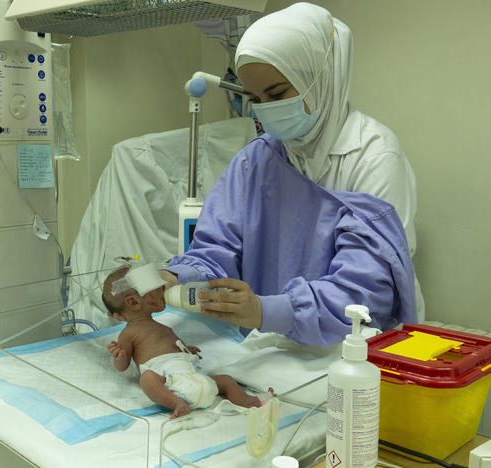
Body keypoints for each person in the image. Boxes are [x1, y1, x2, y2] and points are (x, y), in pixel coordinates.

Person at [156, 2, 421, 346]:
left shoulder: (372, 157)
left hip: (354, 353)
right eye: (254, 98)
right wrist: (173, 277)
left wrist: (267, 312)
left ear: (319, 77)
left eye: (277, 94)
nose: (266, 111)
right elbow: (216, 250)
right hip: (268, 345)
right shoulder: (257, 160)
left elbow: (364, 293)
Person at [102, 266, 267, 418]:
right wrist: (120, 356)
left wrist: (185, 349)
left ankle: (244, 400)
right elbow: (122, 367)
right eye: (156, 287)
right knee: (147, 379)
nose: (163, 288)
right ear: (133, 302)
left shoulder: (159, 325)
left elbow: (167, 345)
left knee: (227, 380)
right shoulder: (129, 333)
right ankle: (176, 403)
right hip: (170, 383)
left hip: (195, 379)